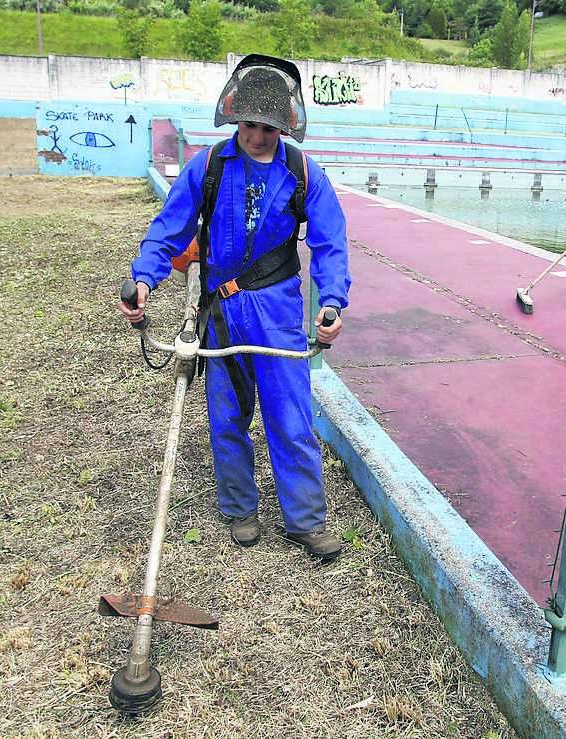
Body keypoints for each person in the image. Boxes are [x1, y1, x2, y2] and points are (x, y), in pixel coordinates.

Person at [118, 55, 351, 562]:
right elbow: (169, 229)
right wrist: (143, 278)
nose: (258, 137)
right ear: (233, 119)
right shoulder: (209, 167)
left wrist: (332, 301)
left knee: (290, 416)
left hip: (278, 311)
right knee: (227, 416)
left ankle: (305, 520)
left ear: (284, 126)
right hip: (222, 312)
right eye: (249, 125)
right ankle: (240, 508)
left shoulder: (304, 173)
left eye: (269, 128)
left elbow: (331, 244)